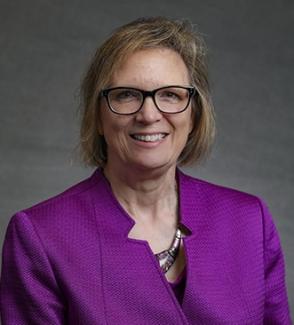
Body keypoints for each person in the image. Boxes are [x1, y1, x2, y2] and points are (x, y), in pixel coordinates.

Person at [0, 17, 291, 324]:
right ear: (98, 116)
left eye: (171, 95)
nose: (149, 114)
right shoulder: (42, 236)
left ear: (194, 114)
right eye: (126, 95)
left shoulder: (248, 221)